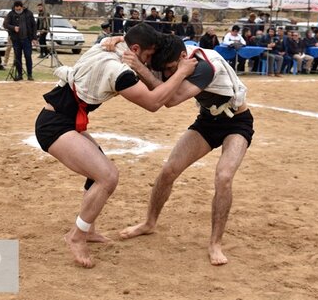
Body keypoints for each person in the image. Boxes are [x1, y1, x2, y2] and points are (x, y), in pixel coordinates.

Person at [34, 23, 197, 268]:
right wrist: (182, 73)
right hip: (54, 125)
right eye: (149, 56)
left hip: (66, 120)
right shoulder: (118, 71)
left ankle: (87, 230)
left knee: (97, 170)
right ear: (135, 48)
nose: (149, 62)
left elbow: (120, 39)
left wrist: (121, 38)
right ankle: (76, 236)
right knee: (107, 177)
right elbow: (154, 103)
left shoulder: (111, 45)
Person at [119, 34, 254, 266]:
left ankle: (215, 243)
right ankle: (149, 223)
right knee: (169, 170)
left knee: (224, 177)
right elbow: (145, 37)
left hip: (237, 122)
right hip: (207, 122)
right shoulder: (170, 56)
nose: (169, 74)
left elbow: (170, 100)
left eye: (172, 69)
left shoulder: (203, 65)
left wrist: (141, 67)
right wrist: (116, 39)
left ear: (183, 57)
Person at [3, 1, 37, 81]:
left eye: (19, 9)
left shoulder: (29, 13)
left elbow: (34, 25)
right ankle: (19, 74)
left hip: (27, 39)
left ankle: (30, 74)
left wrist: (34, 38)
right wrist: (13, 27)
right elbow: (5, 24)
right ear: (14, 7)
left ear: (22, 7)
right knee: (18, 57)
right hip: (16, 39)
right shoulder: (11, 14)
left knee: (28, 56)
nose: (18, 10)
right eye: (16, 9)